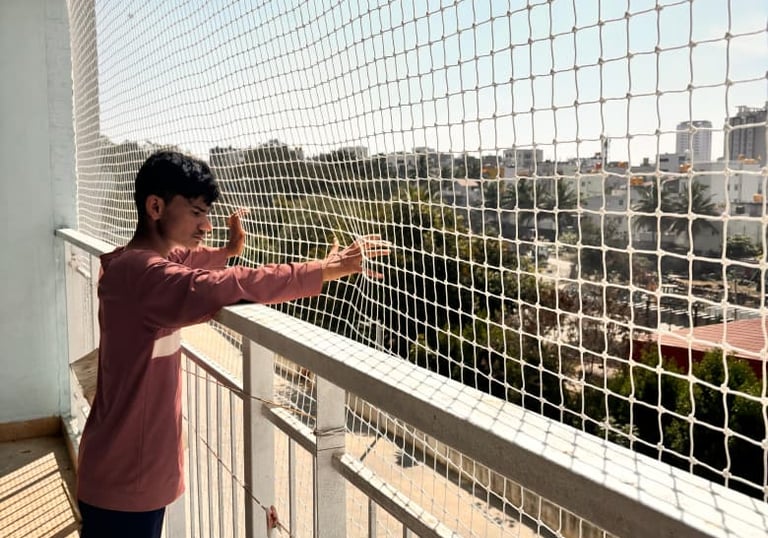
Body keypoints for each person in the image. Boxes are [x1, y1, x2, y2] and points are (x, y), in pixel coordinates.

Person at [76, 150, 388, 537]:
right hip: (126, 482)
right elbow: (231, 285)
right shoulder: (143, 276)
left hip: (121, 470)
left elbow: (187, 260)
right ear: (155, 206)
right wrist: (325, 269)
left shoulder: (131, 262)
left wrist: (226, 251)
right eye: (195, 213)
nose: (206, 225)